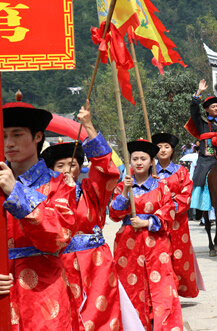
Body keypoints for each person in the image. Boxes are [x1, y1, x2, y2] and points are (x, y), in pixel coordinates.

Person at [41, 101, 127, 330]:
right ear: (51, 170)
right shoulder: (42, 196)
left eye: (73, 164)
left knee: (102, 320)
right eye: (61, 165)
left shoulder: (91, 192)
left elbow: (107, 169)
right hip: (61, 265)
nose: (68, 170)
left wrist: (88, 125)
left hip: (96, 264)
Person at [0, 94, 78, 329]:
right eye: (3, 136)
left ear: (37, 137)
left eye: (16, 134)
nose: (8, 143)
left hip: (44, 293)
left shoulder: (60, 183)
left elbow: (58, 237)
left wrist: (16, 193)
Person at [109, 139, 182, 330]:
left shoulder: (161, 186)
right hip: (128, 244)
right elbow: (114, 214)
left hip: (156, 243)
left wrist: (148, 222)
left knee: (161, 287)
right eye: (135, 159)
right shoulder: (123, 187)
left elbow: (169, 212)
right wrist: (125, 191)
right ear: (129, 162)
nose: (139, 162)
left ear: (151, 162)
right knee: (131, 286)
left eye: (143, 158)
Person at [151, 132, 200, 298]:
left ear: (173, 150)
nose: (163, 150)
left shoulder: (181, 171)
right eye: (159, 147)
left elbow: (186, 195)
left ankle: (178, 290)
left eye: (167, 147)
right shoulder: (150, 172)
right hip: (156, 222)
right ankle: (163, 291)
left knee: (179, 257)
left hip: (177, 223)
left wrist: (167, 208)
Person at [188, 79, 217, 215]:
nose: (216, 109)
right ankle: (203, 205)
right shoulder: (202, 123)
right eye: (213, 107)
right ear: (207, 109)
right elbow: (194, 111)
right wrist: (199, 92)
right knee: (202, 178)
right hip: (206, 159)